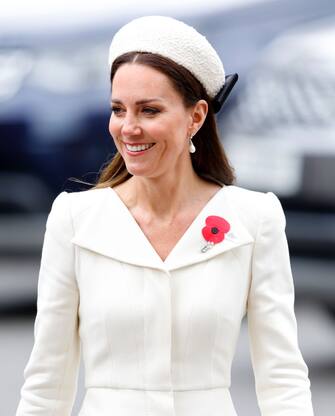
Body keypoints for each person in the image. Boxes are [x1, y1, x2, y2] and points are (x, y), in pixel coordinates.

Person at [16, 15, 314, 416]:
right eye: (118, 110)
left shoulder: (254, 218)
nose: (129, 128)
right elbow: (46, 387)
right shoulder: (74, 218)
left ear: (196, 116)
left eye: (149, 110)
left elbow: (283, 380)